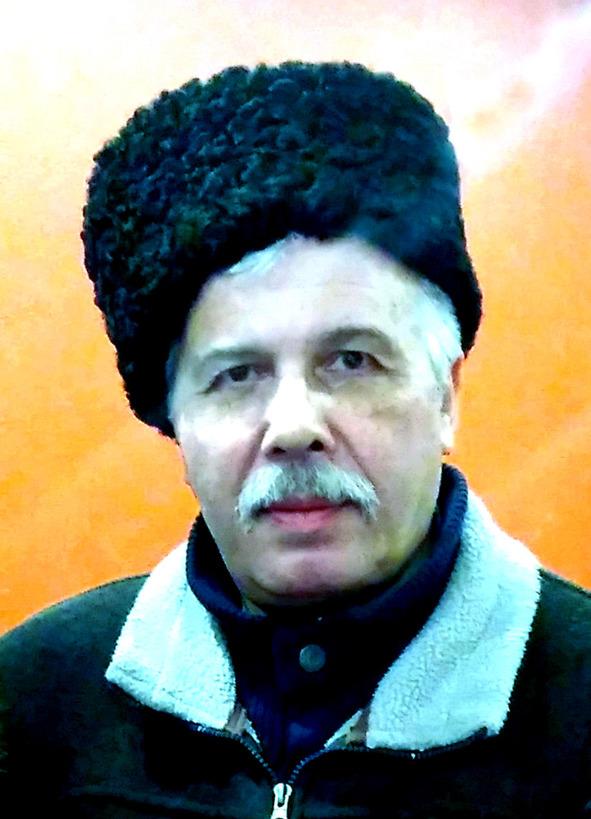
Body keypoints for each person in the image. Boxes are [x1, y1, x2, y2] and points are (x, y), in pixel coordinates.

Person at [1, 61, 590, 819]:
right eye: (237, 374)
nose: (293, 426)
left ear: (445, 396)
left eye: (351, 361)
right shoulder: (34, 711)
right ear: (174, 421)